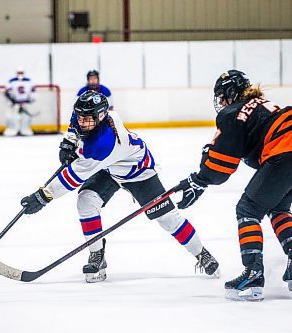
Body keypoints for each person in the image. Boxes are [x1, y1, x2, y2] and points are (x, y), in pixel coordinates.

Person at [20, 90, 219, 283]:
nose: (82, 122)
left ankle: (201, 253)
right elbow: (75, 122)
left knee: (168, 219)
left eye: (87, 119)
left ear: (100, 116)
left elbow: (72, 178)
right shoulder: (97, 116)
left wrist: (42, 197)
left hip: (138, 174)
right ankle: (97, 253)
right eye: (81, 117)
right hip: (110, 169)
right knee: (86, 201)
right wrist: (69, 142)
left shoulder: (104, 143)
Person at [176, 70, 292, 301]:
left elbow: (221, 166)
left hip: (289, 151)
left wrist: (199, 179)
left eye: (221, 97)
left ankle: (253, 275)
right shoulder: (261, 104)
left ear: (230, 93)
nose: (221, 103)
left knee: (248, 209)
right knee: (278, 205)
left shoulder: (232, 113)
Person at [3, 67, 35, 136]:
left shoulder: (28, 81)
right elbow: (7, 92)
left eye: (21, 72)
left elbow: (32, 91)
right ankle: (12, 130)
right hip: (15, 103)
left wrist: (31, 99)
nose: (20, 74)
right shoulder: (12, 81)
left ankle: (25, 129)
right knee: (12, 117)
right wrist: (11, 100)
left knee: (26, 118)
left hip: (25, 102)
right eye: (19, 73)